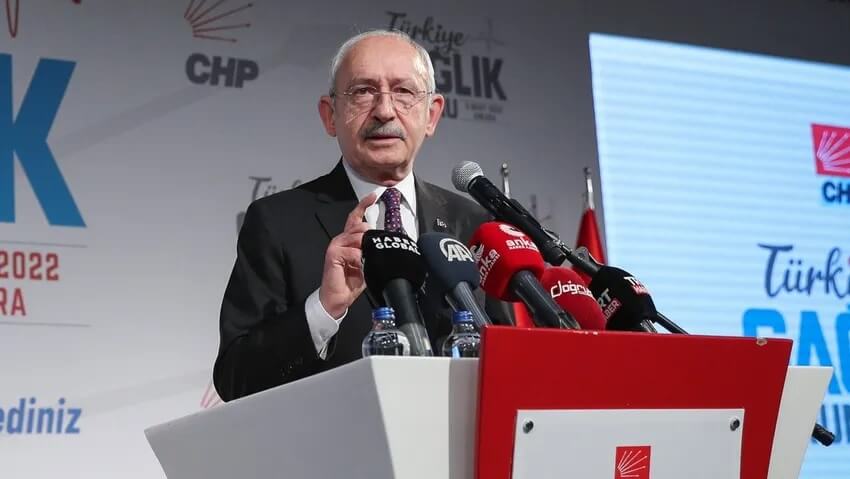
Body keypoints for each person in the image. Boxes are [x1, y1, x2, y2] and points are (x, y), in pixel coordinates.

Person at [213, 30, 505, 401]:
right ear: (330, 116)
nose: (385, 110)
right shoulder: (278, 222)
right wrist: (324, 308)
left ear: (432, 115)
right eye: (363, 91)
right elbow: (235, 378)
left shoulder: (474, 223)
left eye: (403, 91)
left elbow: (511, 361)